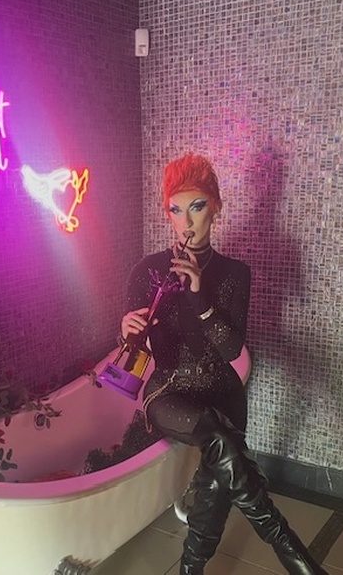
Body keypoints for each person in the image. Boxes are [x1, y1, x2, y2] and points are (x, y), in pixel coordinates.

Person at [119, 153, 328, 575]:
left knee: (217, 485)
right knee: (220, 439)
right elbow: (133, 353)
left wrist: (199, 296)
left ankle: (190, 569)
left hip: (223, 392)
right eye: (176, 210)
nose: (186, 221)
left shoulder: (235, 273)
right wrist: (126, 330)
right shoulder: (147, 271)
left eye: (197, 207)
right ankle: (293, 553)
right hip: (170, 392)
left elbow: (232, 349)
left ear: (215, 207)